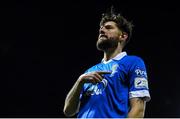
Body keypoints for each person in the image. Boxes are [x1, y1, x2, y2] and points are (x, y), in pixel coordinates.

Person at [63, 7, 151, 118]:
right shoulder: (89, 72)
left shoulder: (133, 62)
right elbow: (68, 111)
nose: (101, 30)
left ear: (123, 36)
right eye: (101, 28)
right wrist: (80, 81)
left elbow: (138, 110)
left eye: (108, 28)